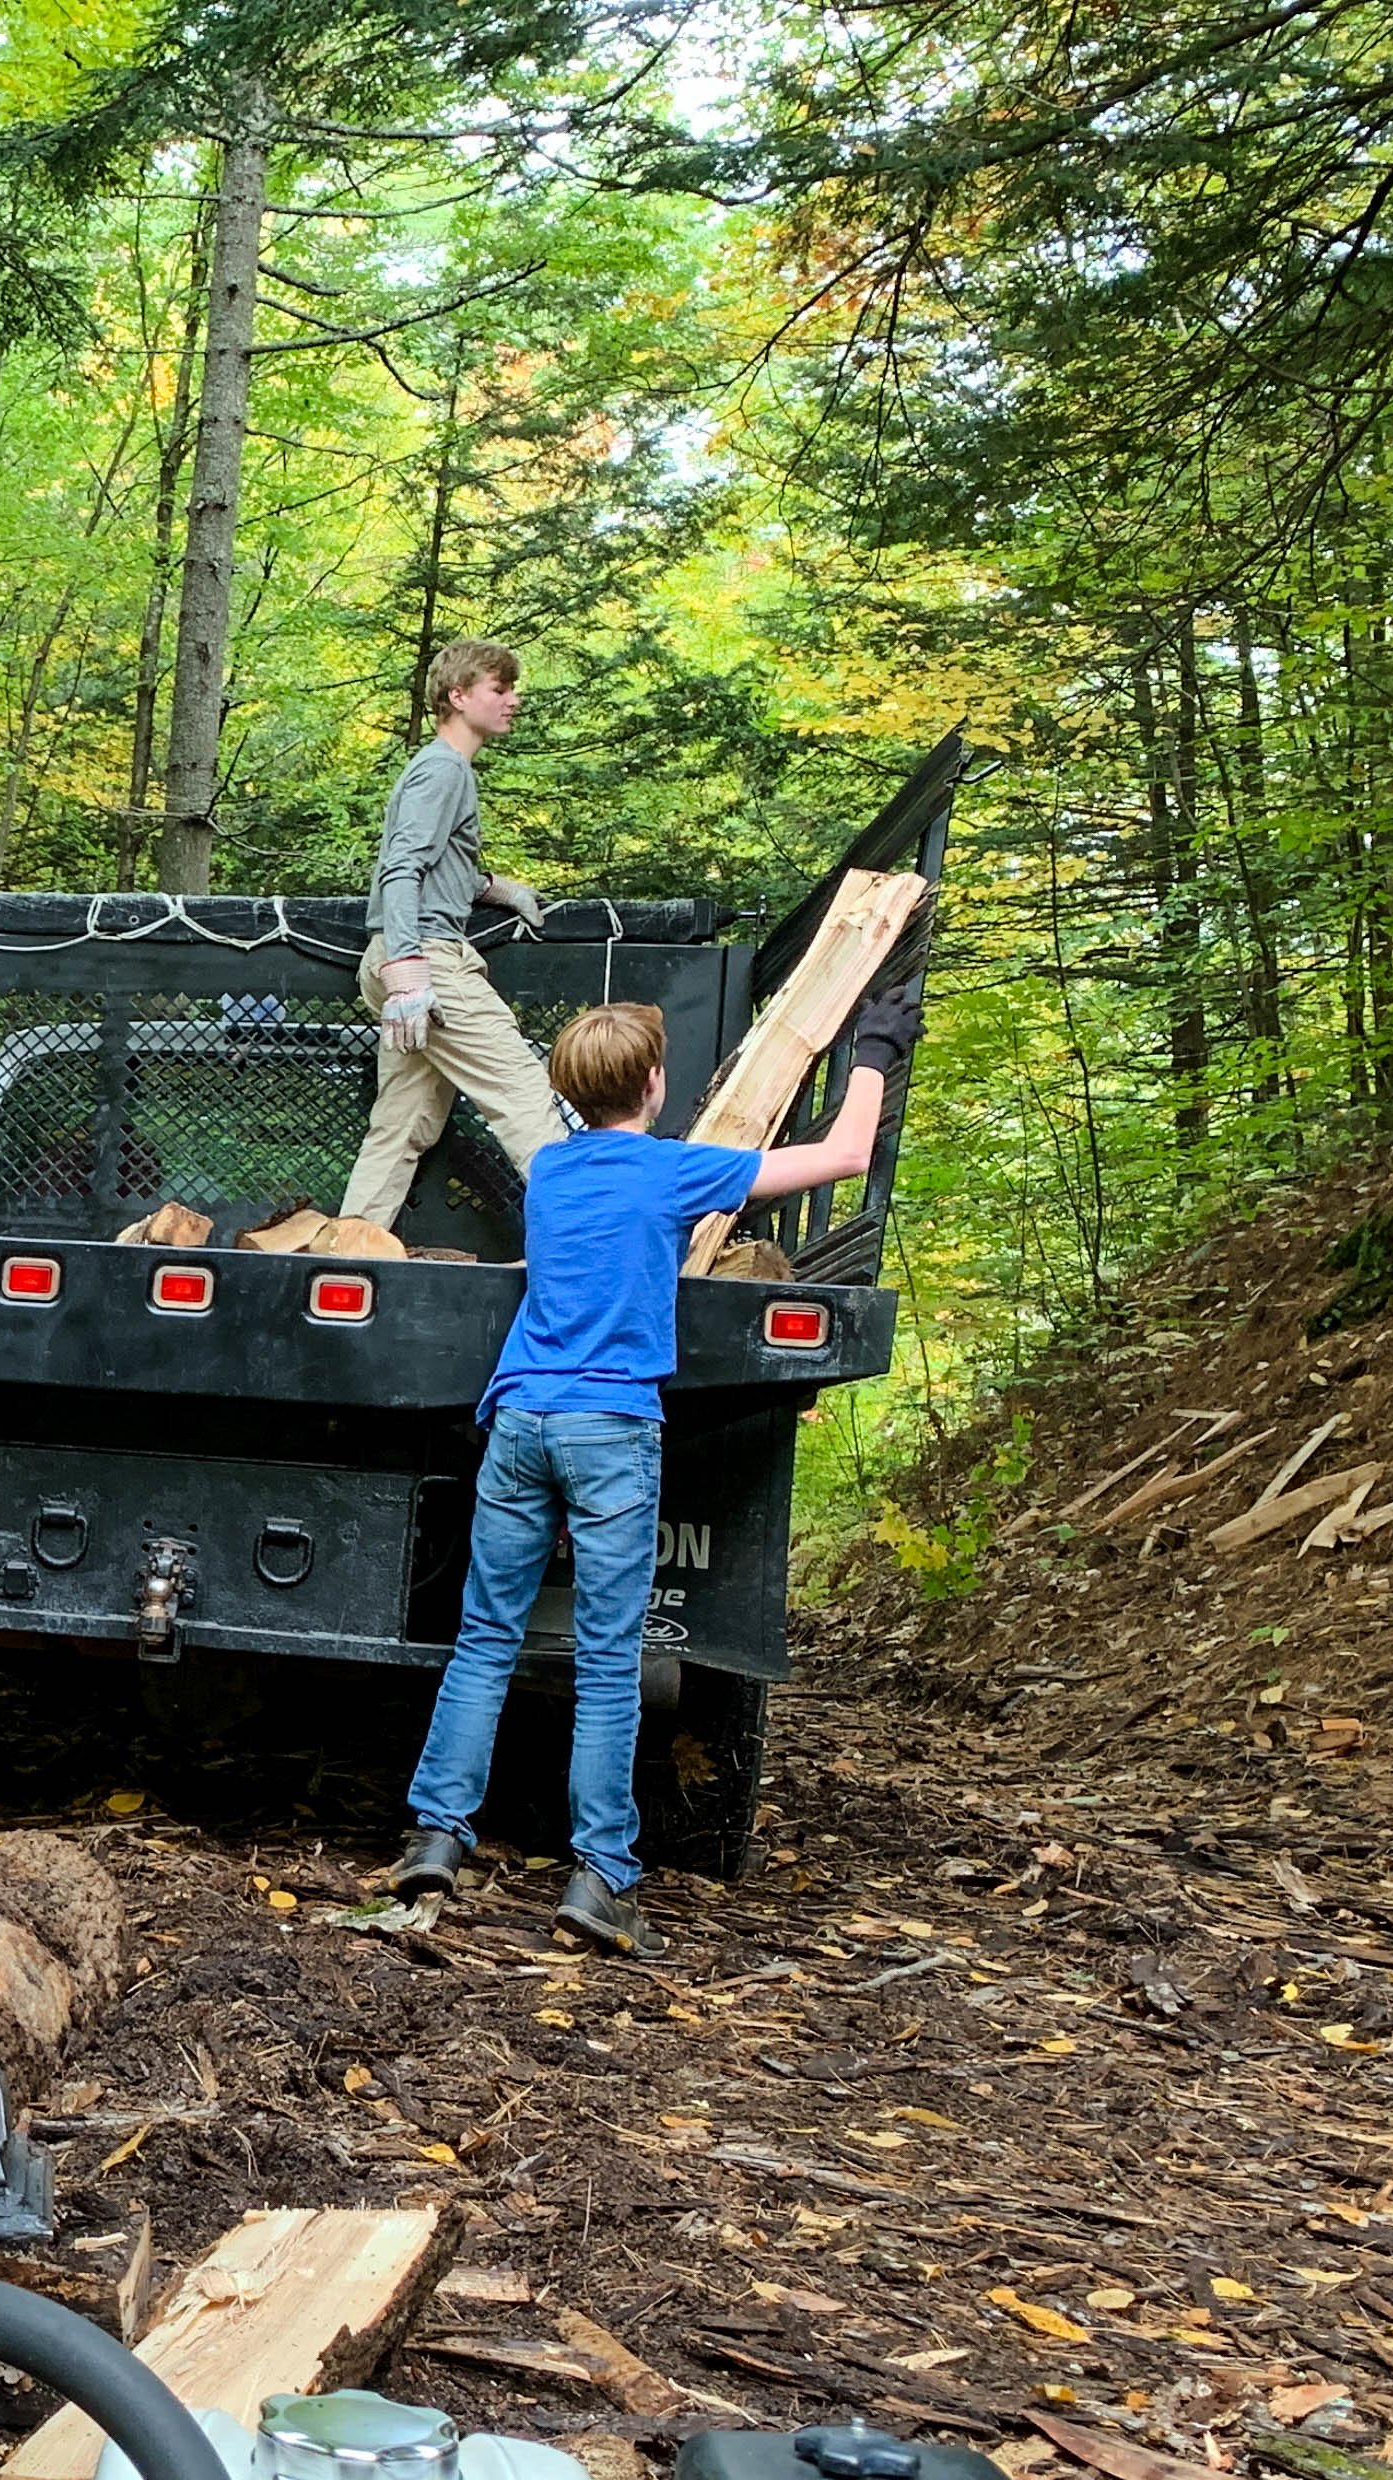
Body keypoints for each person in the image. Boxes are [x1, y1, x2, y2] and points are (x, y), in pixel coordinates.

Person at [387, 991, 915, 1955]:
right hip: (610, 1430)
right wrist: (873, 1051)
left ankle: (436, 1838)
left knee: (485, 1639)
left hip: (519, 1422)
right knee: (603, 1657)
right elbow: (840, 1158)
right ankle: (600, 1878)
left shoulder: (548, 1172)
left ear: (570, 1092)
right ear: (655, 1083)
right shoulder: (673, 1173)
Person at [340, 638, 566, 1234]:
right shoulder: (442, 769)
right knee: (522, 1093)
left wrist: (495, 888)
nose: (513, 700)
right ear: (457, 695)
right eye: (500, 688)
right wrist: (409, 968)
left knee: (402, 1123)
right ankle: (588, 1241)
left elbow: (438, 868)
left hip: (405, 955)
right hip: (425, 962)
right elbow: (400, 866)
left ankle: (346, 1252)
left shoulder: (445, 769)